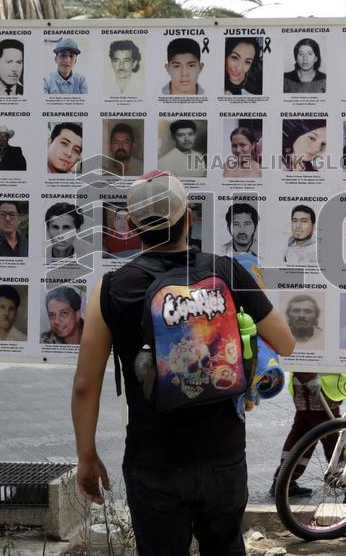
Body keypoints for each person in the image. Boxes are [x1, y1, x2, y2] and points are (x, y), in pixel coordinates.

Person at [71, 171, 295, 554]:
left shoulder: (109, 290)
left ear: (132, 226)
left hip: (153, 458)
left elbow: (84, 385)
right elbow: (285, 343)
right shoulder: (226, 271)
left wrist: (87, 456)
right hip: (222, 455)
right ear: (189, 217)